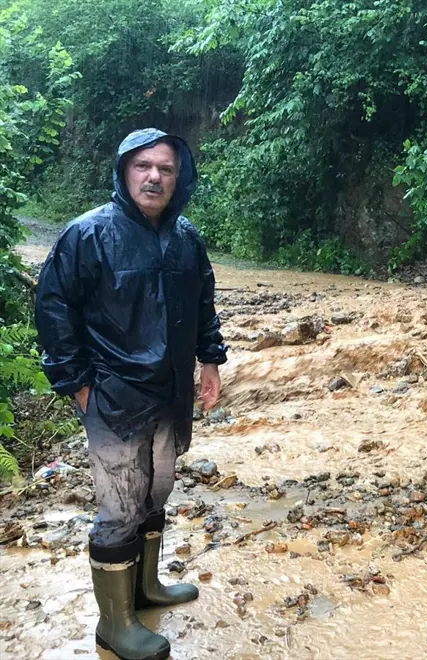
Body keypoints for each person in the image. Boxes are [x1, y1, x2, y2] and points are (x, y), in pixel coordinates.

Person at [35, 128, 227, 660]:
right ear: (124, 171)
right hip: (113, 395)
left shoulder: (187, 238)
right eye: (143, 166)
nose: (154, 176)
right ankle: (114, 626)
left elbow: (204, 301)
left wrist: (210, 360)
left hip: (170, 394)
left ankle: (147, 588)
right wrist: (76, 385)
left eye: (165, 168)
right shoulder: (87, 235)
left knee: (155, 493)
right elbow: (54, 311)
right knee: (118, 507)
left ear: (178, 177)